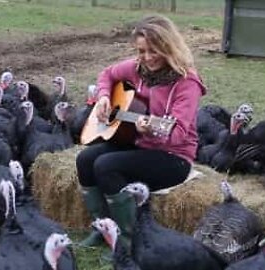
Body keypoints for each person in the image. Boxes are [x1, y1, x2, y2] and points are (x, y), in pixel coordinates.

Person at [76, 14, 207, 250]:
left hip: (173, 157)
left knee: (106, 165)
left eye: (153, 51)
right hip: (137, 143)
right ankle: (101, 227)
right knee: (85, 159)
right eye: (141, 51)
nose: (147, 58)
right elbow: (108, 74)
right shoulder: (137, 69)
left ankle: (127, 241)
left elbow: (176, 133)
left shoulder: (187, 83)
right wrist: (104, 96)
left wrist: (151, 130)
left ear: (169, 47)